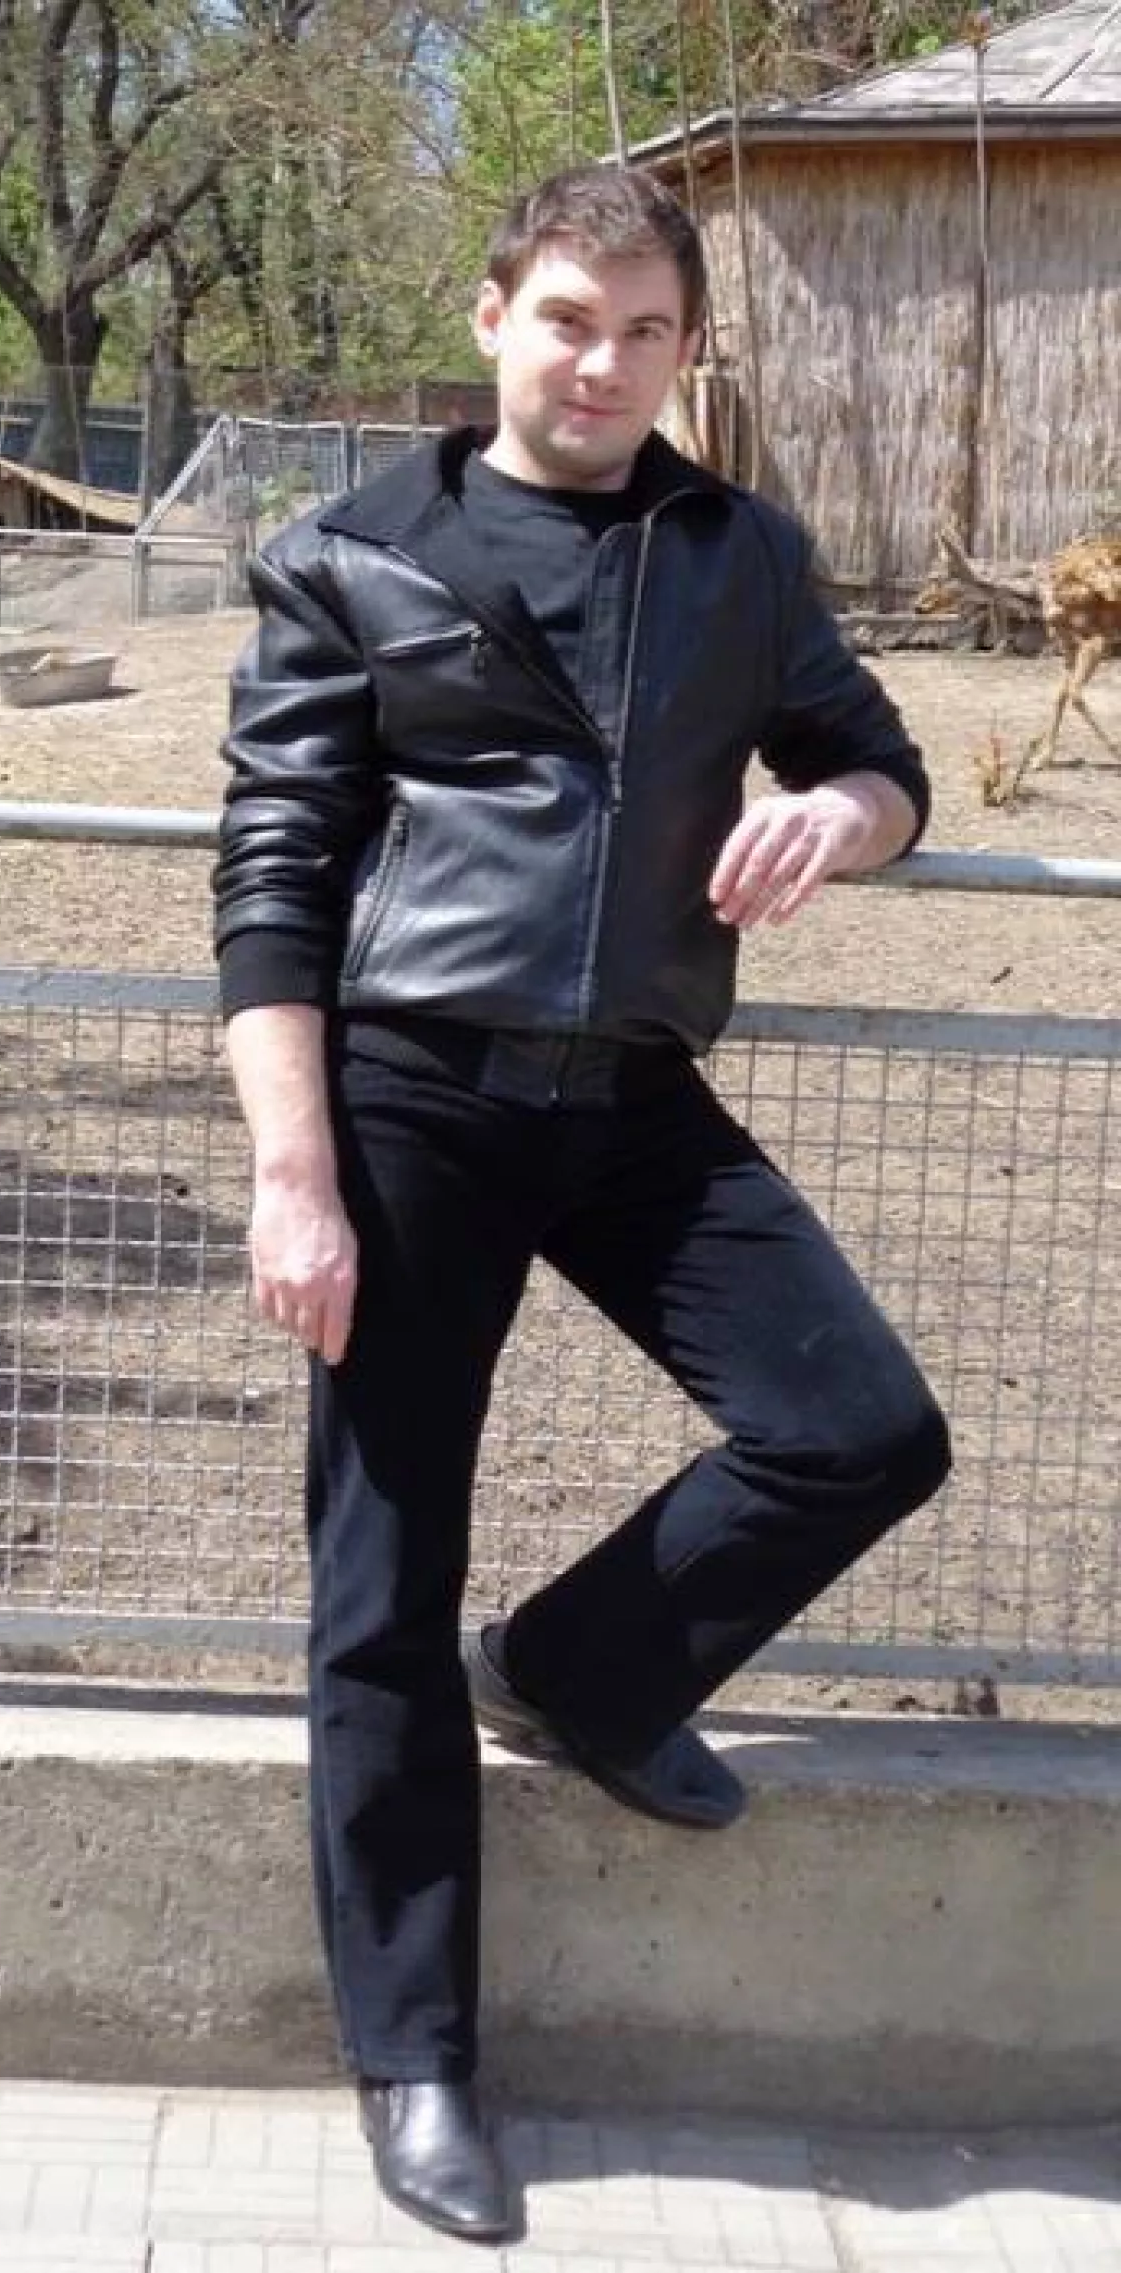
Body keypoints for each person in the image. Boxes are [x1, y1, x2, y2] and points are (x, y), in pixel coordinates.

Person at [213, 163, 951, 2245]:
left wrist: (838, 813)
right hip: (411, 1102)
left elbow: (884, 764)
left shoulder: (739, 553)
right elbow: (271, 881)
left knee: (860, 1428)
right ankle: (417, 2058)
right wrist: (296, 1175)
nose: (602, 362)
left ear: (687, 349)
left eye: (643, 331)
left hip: (630, 1095)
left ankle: (578, 1671)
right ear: (492, 320)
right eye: (566, 318)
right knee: (378, 1592)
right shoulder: (354, 552)